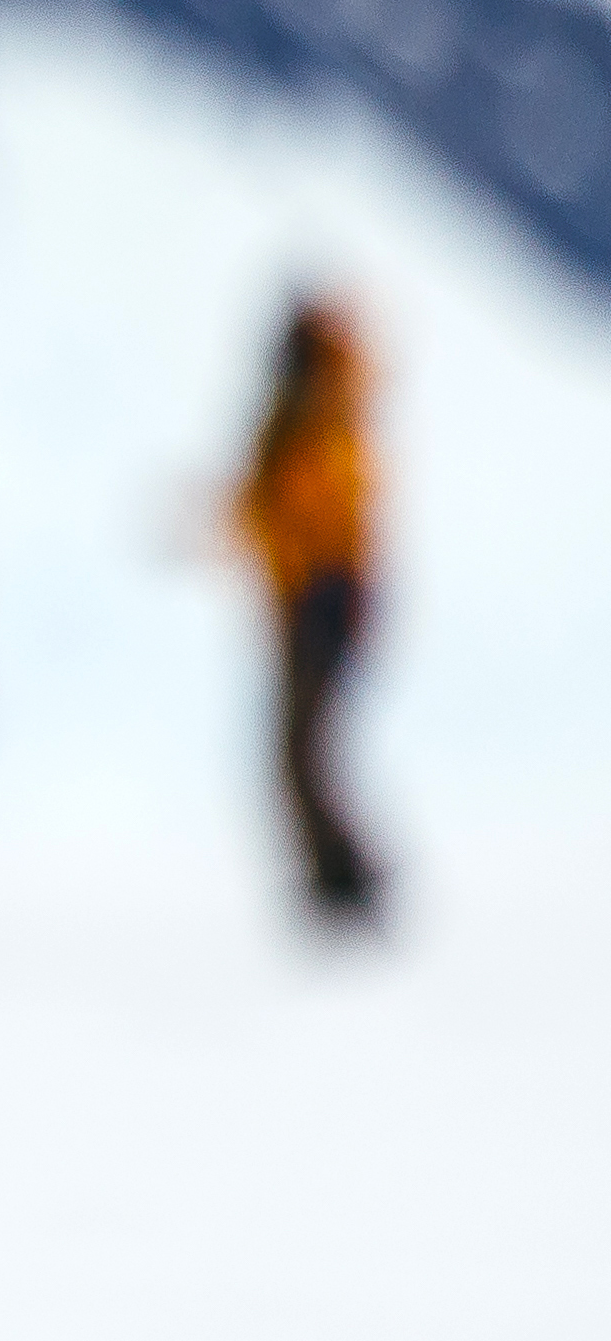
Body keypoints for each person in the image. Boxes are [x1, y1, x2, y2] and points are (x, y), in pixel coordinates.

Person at [230, 293, 385, 929]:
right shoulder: (306, 417)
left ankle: (348, 883)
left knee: (303, 749)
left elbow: (322, 515)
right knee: (300, 750)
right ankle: (336, 882)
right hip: (306, 600)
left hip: (321, 598)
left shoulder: (325, 416)